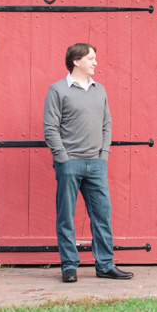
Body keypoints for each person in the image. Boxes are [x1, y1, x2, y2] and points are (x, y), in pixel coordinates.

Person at [43, 43, 133, 282]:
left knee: (102, 216)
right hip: (69, 163)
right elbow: (50, 128)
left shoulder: (99, 90)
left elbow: (107, 124)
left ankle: (105, 264)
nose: (95, 63)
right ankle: (69, 266)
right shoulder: (58, 90)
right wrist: (63, 158)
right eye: (91, 58)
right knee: (66, 216)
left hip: (96, 164)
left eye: (95, 57)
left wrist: (103, 156)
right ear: (76, 61)